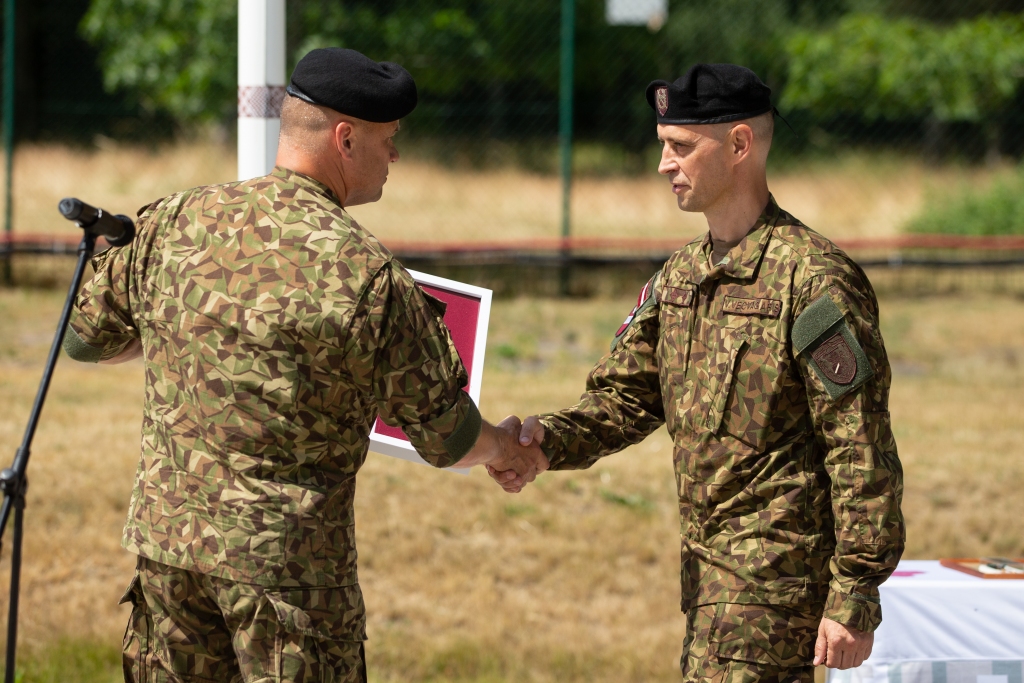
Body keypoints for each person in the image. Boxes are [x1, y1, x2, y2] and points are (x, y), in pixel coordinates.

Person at [62, 47, 547, 683]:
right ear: (345, 140)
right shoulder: (365, 274)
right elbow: (447, 436)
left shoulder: (176, 221)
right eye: (389, 140)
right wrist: (508, 450)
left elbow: (86, 340)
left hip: (171, 557)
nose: (395, 156)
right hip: (290, 583)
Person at [489, 63, 905, 681]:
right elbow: (624, 400)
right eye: (663, 145)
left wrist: (855, 594)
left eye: (680, 146)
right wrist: (542, 444)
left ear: (738, 145)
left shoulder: (813, 281)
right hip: (706, 584)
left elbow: (860, 448)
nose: (664, 164)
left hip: (773, 591)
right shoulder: (681, 278)